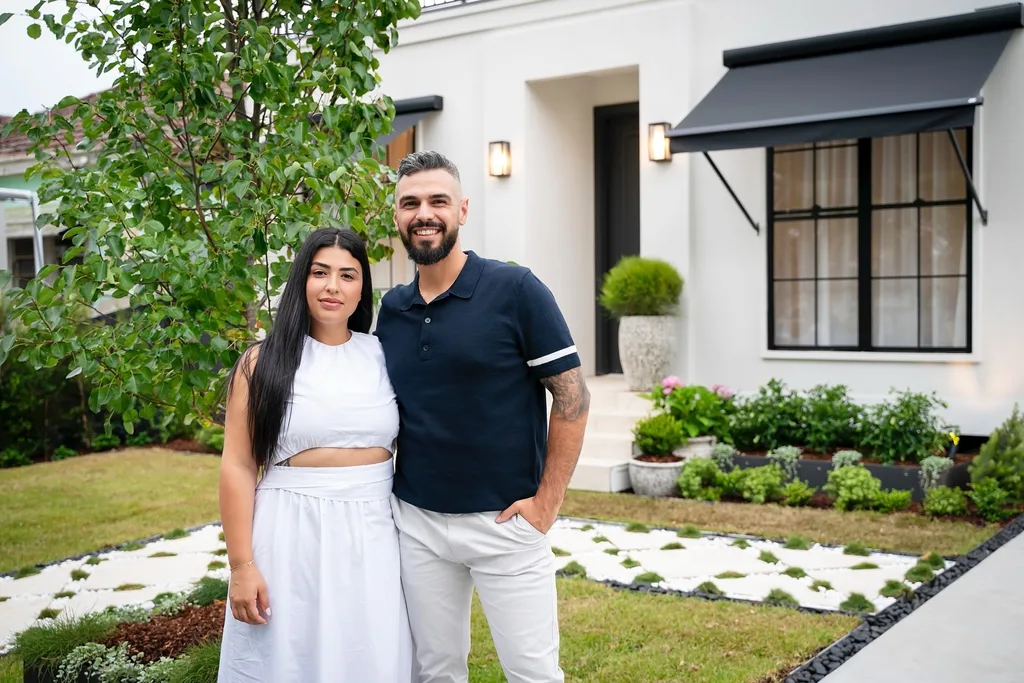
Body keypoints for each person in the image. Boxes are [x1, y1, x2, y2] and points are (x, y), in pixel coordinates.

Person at [375, 151, 591, 683]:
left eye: (438, 201)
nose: (424, 213)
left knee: (532, 673)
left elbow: (573, 399)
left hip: (505, 523)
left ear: (463, 210)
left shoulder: (515, 290)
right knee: (435, 671)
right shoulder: (392, 310)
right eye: (410, 203)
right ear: (397, 216)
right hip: (418, 523)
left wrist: (547, 502)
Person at [217, 228, 413, 683]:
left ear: (362, 288)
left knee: (370, 655)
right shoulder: (262, 362)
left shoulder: (382, 355)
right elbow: (238, 465)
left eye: (348, 275)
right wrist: (241, 565)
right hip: (291, 530)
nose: (333, 287)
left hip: (374, 532)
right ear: (301, 280)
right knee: (291, 657)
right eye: (320, 272)